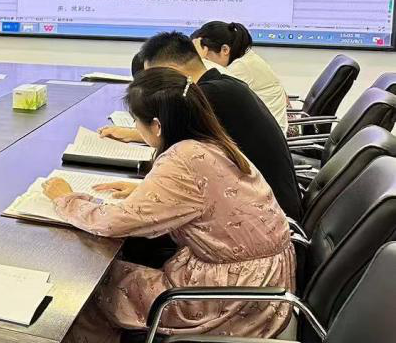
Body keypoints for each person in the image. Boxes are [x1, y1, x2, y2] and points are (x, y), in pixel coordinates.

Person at [39, 68, 294, 343]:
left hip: (232, 298)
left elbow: (111, 223)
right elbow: (199, 198)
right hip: (264, 281)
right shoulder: (210, 142)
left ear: (156, 125)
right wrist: (142, 191)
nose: (137, 130)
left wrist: (65, 197)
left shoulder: (181, 160)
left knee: (86, 289)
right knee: (113, 269)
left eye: (138, 123)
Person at [99, 31, 301, 220]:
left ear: (170, 72)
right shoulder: (224, 85)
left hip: (264, 217)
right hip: (267, 204)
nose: (153, 88)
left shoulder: (202, 98)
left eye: (154, 80)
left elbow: (175, 160)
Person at [192, 21, 288, 131]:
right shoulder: (244, 59)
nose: (205, 63)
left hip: (265, 131)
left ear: (225, 50)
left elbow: (205, 91)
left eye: (206, 58)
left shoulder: (241, 66)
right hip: (259, 126)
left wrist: (197, 61)